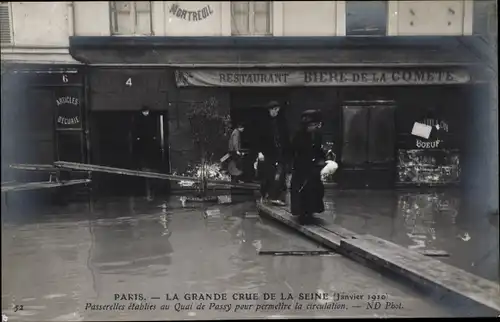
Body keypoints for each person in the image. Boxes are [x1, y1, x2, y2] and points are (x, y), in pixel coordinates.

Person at [290, 110, 326, 224]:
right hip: (301, 166)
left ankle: (311, 212)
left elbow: (318, 149)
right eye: (312, 125)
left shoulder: (317, 135)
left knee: (314, 190)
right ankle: (302, 214)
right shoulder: (299, 135)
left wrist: (322, 158)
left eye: (316, 125)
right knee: (302, 190)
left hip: (313, 166)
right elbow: (293, 150)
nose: (314, 127)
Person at [257, 101, 291, 206]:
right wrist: (260, 152)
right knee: (268, 173)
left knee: (280, 173)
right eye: (275, 109)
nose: (277, 112)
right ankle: (265, 194)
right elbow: (259, 138)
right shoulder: (263, 122)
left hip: (279, 151)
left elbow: (285, 137)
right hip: (268, 151)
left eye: (278, 110)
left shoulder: (281, 122)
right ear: (270, 110)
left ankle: (275, 195)